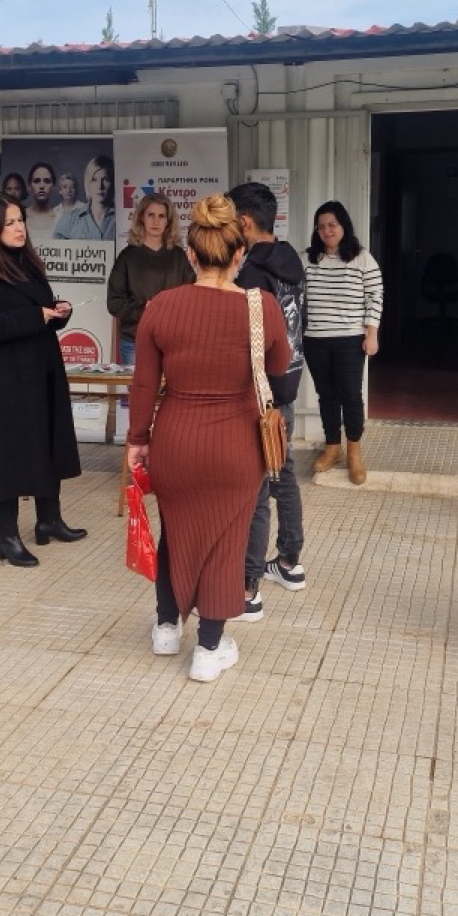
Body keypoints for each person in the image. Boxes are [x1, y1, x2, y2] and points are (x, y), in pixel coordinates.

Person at [126, 193, 290, 682]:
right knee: (225, 541)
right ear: (240, 253)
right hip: (236, 445)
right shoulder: (260, 307)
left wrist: (137, 440)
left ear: (191, 254)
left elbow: (143, 384)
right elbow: (280, 366)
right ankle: (209, 648)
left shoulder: (161, 306)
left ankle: (166, 628)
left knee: (176, 531)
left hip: (175, 440)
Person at [0, 194, 87, 567]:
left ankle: (49, 520)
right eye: (10, 223)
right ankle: (7, 537)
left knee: (46, 443)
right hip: (4, 382)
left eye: (20, 221)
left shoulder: (27, 264)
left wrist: (57, 313)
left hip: (39, 372)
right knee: (8, 455)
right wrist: (34, 317)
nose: (19, 229)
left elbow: (35, 311)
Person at [229, 181, 307, 620]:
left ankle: (248, 587)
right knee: (284, 473)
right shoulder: (291, 260)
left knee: (257, 488)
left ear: (243, 223)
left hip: (259, 394)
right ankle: (290, 562)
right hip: (288, 387)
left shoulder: (252, 275)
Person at [304, 200, 383, 485]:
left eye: (332, 225)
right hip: (315, 340)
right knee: (326, 395)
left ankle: (354, 452)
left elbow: (375, 296)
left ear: (343, 226)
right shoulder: (307, 259)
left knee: (350, 395)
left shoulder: (362, 258)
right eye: (321, 226)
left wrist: (371, 333)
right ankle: (332, 447)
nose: (327, 231)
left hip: (350, 339)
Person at [107, 193, 194, 365]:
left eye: (161, 216)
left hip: (172, 341)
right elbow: (114, 303)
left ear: (168, 221)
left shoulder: (178, 256)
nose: (156, 221)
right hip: (135, 340)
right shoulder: (127, 257)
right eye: (151, 215)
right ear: (142, 217)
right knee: (139, 384)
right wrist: (144, 308)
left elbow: (192, 296)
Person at [54, 154, 115, 240]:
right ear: (87, 183)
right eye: (94, 180)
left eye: (106, 179)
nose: (100, 186)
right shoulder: (70, 219)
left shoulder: (122, 218)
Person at [24, 161, 59, 244]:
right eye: (36, 181)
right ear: (29, 186)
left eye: (47, 181)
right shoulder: (20, 218)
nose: (42, 186)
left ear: (53, 186)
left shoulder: (61, 219)